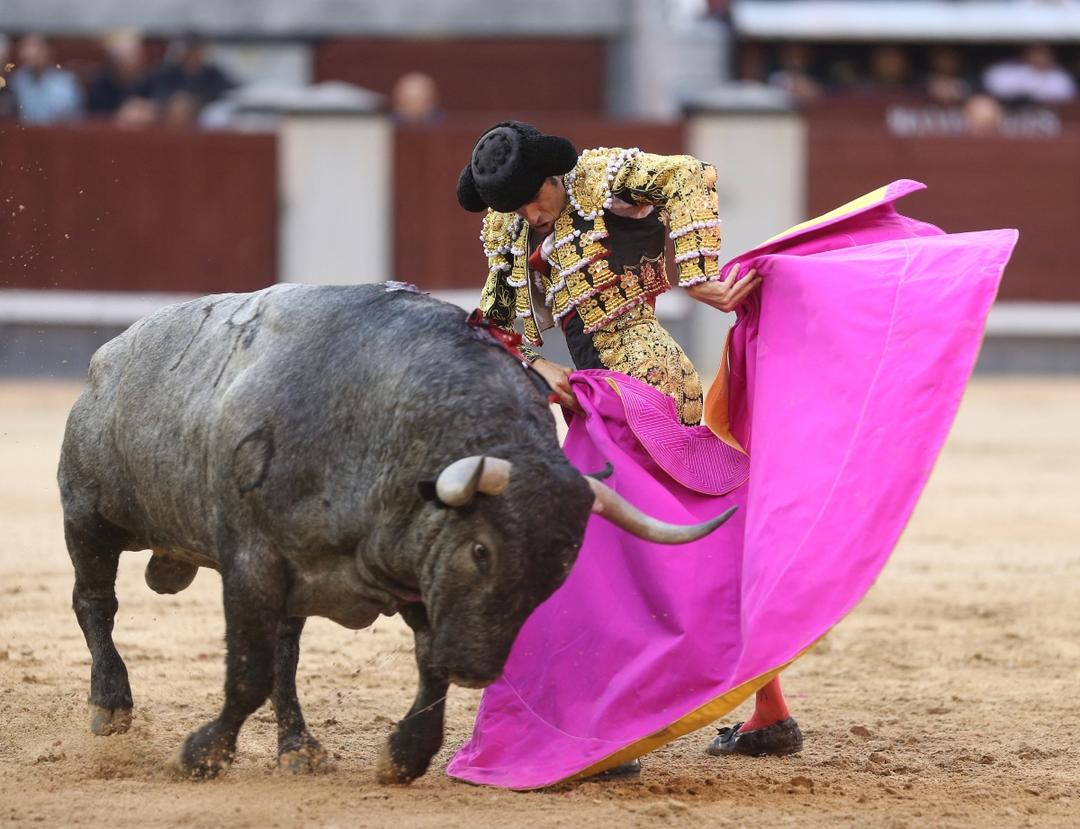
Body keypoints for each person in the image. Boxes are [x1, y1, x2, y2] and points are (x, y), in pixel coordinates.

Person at [456, 120, 802, 764]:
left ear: (555, 178)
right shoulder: (509, 223)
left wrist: (698, 275)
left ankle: (617, 729)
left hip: (645, 381)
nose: (531, 216)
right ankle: (767, 711)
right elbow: (500, 323)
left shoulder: (599, 178)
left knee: (604, 557)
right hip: (589, 392)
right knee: (673, 546)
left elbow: (690, 174)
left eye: (536, 201)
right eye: (518, 209)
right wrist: (528, 370)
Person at [8, 33, 83, 124]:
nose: (30, 54)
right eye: (26, 53)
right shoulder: (16, 81)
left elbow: (70, 119)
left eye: (36, 50)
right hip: (22, 134)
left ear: (47, 51)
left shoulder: (65, 83)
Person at [86, 31, 153, 118]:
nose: (131, 66)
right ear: (114, 63)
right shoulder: (99, 86)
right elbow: (95, 116)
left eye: (135, 60)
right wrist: (121, 114)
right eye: (125, 62)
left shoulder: (148, 80)